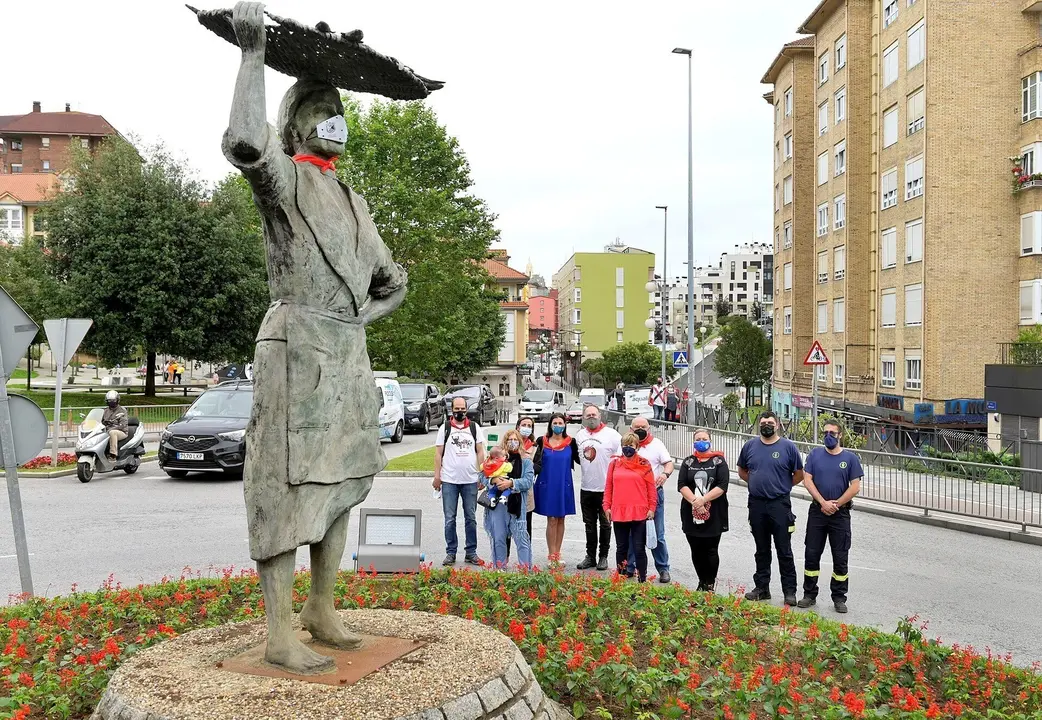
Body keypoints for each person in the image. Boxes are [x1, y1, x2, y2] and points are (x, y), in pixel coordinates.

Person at [224, 0, 411, 674]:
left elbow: (394, 281)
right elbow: (246, 142)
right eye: (323, 107)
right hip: (295, 343)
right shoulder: (285, 179)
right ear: (297, 120)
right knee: (283, 482)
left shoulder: (355, 200)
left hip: (345, 350)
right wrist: (251, 56)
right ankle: (278, 629)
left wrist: (365, 317)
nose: (337, 119)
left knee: (343, 480)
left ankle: (321, 608)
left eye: (341, 108)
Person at [737, 410, 805, 606]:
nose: (766, 425)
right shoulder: (750, 446)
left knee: (784, 549)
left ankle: (789, 592)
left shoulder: (788, 447)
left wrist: (782, 486)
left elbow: (799, 474)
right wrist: (756, 482)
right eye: (763, 422)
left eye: (770, 422)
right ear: (760, 424)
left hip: (779, 504)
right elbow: (742, 470)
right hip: (756, 504)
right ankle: (762, 588)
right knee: (761, 549)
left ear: (777, 425)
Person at [798, 421, 863, 613]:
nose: (828, 436)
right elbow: (807, 480)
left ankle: (839, 598)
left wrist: (836, 504)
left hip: (840, 515)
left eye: (832, 433)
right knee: (811, 555)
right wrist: (823, 502)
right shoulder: (815, 455)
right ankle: (809, 594)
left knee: (840, 557)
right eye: (825, 432)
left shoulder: (850, 459)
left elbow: (855, 486)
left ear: (840, 435)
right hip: (818, 512)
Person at [434, 397, 486, 566]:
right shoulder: (445, 428)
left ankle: (471, 552)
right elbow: (438, 453)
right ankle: (451, 552)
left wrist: (482, 473)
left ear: (466, 409)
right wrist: (437, 476)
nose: (459, 411)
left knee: (471, 517)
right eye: (456, 408)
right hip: (449, 480)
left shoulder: (474, 428)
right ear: (451, 410)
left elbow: (480, 451)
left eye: (462, 408)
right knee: (450, 518)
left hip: (470, 480)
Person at [678, 429, 729, 591]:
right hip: (690, 512)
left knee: (711, 549)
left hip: (714, 513)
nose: (701, 441)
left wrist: (703, 500)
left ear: (710, 441)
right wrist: (694, 501)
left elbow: (722, 485)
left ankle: (710, 583)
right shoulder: (688, 462)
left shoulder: (719, 461)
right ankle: (701, 581)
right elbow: (682, 485)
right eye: (698, 439)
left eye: (704, 439)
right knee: (696, 549)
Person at [603, 433, 657, 582]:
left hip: (640, 511)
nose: (628, 448)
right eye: (625, 445)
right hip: (619, 511)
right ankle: (621, 578)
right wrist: (606, 506)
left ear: (637, 447)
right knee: (621, 548)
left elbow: (651, 488)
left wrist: (652, 507)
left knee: (639, 548)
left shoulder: (644, 464)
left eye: (631, 445)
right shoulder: (614, 464)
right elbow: (609, 487)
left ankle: (642, 579)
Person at [574, 405, 622, 571]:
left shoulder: (612, 435)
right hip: (587, 488)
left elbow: (622, 457)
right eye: (588, 415)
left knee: (605, 524)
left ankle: (603, 556)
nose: (591, 417)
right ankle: (590, 556)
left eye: (594, 414)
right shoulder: (580, 435)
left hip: (606, 489)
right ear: (584, 417)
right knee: (589, 524)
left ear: (600, 415)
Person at [627, 416, 673, 583]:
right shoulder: (626, 445)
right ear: (631, 429)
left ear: (649, 429)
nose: (640, 429)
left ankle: (663, 569)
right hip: (632, 496)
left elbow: (668, 463)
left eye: (643, 427)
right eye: (637, 427)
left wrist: (664, 474)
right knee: (632, 533)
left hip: (653, 494)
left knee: (657, 534)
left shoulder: (656, 444)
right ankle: (630, 567)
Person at [482, 430, 534, 568]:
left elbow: (528, 481)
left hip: (517, 505)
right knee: (498, 539)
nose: (512, 442)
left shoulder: (526, 462)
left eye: (515, 440)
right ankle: (500, 569)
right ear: (504, 442)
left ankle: (525, 571)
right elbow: (482, 477)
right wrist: (493, 480)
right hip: (498, 506)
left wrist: (511, 483)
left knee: (522, 539)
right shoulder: (493, 459)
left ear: (520, 442)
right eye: (509, 439)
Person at [533, 413, 580, 566]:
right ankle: (551, 554)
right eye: (555, 422)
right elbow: (531, 458)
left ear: (565, 425)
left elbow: (581, 459)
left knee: (561, 518)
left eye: (561, 422)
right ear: (550, 424)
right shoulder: (542, 441)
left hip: (564, 484)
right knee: (551, 519)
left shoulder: (571, 443)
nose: (558, 425)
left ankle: (558, 553)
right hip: (547, 483)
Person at [102, 390, 129, 459]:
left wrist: (112, 428)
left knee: (112, 432)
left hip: (121, 432)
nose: (111, 402)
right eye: (109, 400)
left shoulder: (122, 410)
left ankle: (113, 455)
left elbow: (123, 425)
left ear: (117, 400)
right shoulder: (105, 410)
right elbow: (100, 421)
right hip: (107, 430)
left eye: (113, 400)